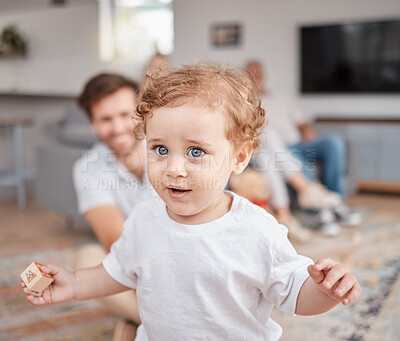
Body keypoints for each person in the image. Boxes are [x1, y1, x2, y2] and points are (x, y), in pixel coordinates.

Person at [23, 62, 361, 340]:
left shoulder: (259, 230)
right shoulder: (144, 217)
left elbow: (296, 294)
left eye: (195, 151)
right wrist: (76, 283)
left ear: (239, 158)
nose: (173, 168)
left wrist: (326, 292)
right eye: (160, 149)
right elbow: (118, 271)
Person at [73, 73, 157, 340]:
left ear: (141, 112)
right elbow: (115, 241)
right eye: (105, 119)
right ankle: (165, 324)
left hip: (185, 254)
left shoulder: (168, 149)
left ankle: (139, 326)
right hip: (136, 262)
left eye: (125, 114)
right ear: (91, 123)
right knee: (88, 259)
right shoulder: (87, 169)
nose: (118, 127)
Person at [245, 60, 361, 233]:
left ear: (264, 75)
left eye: (258, 73)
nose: (256, 77)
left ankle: (337, 203)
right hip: (277, 148)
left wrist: (307, 130)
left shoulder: (282, 97)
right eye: (251, 74)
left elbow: (302, 122)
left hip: (298, 142)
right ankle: (322, 208)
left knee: (334, 142)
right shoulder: (246, 103)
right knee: (278, 147)